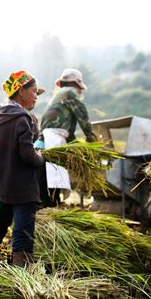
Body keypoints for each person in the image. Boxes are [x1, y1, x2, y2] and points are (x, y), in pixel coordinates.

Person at [0, 70, 45, 267]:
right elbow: (27, 156)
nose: (36, 96)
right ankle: (22, 275)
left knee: (0, 223)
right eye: (34, 91)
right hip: (21, 187)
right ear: (20, 91)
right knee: (23, 230)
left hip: (1, 183)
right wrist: (41, 158)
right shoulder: (22, 119)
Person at [35, 68, 97, 205]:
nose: (80, 91)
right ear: (75, 84)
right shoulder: (70, 93)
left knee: (47, 188)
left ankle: (48, 210)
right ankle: (49, 213)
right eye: (80, 88)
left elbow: (68, 134)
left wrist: (77, 147)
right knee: (51, 188)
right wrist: (92, 139)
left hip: (42, 144)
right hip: (52, 144)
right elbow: (83, 116)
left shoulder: (59, 96)